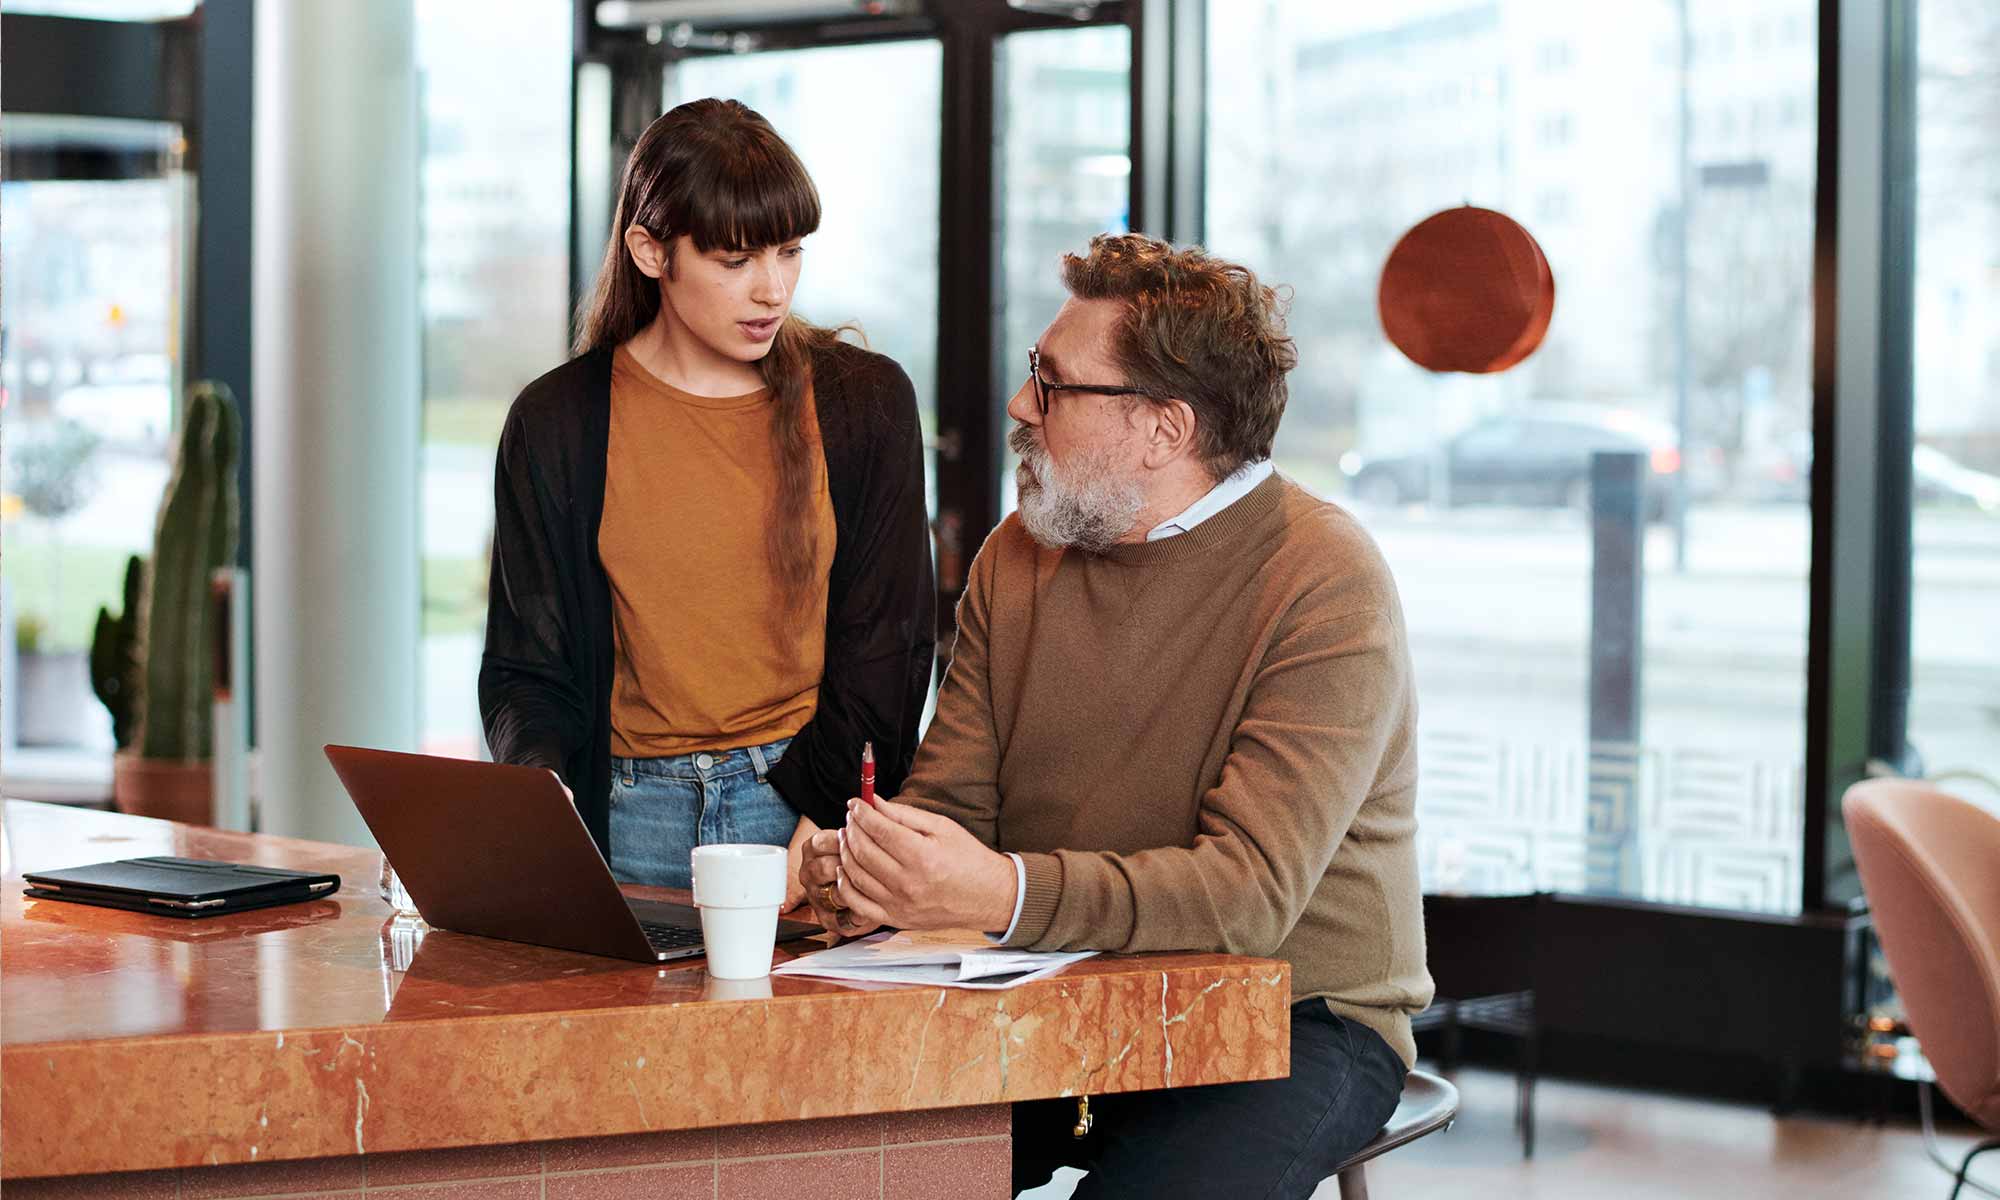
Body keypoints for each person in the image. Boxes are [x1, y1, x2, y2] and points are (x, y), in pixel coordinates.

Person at [801, 233, 1432, 1198]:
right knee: (837, 1171)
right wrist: (881, 864)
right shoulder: (1020, 556)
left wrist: (998, 895)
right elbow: (953, 808)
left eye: (1051, 384)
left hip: (1294, 1014)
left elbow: (1244, 898)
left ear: (1163, 430)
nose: (1020, 407)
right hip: (1055, 987)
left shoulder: (1326, 582)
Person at [480, 98, 934, 907]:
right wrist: (547, 833)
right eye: (735, 261)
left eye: (790, 252)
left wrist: (822, 821)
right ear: (651, 252)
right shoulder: (555, 423)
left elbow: (891, 643)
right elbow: (526, 670)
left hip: (800, 810)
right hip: (621, 817)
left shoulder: (864, 404)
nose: (773, 290)